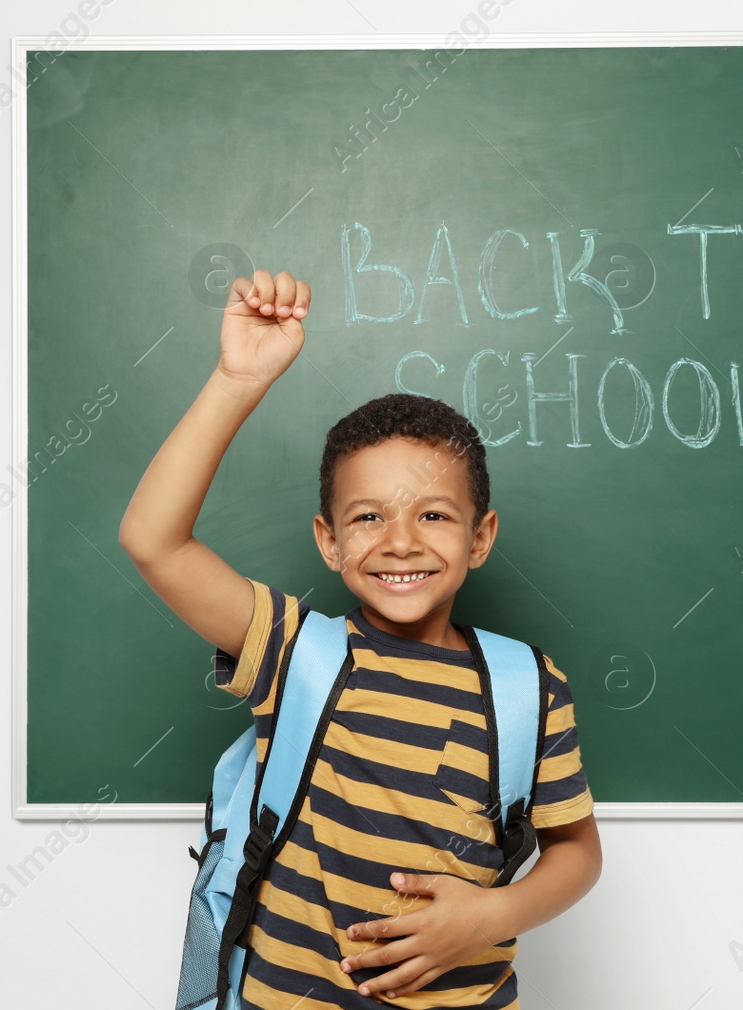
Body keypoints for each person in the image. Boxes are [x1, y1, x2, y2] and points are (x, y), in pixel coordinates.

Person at [118, 268, 603, 1008]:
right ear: (329, 541)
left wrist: (491, 915)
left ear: (482, 536)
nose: (400, 541)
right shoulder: (297, 652)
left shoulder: (527, 688)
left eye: (434, 515)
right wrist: (236, 378)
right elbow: (153, 539)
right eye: (369, 516)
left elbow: (576, 852)